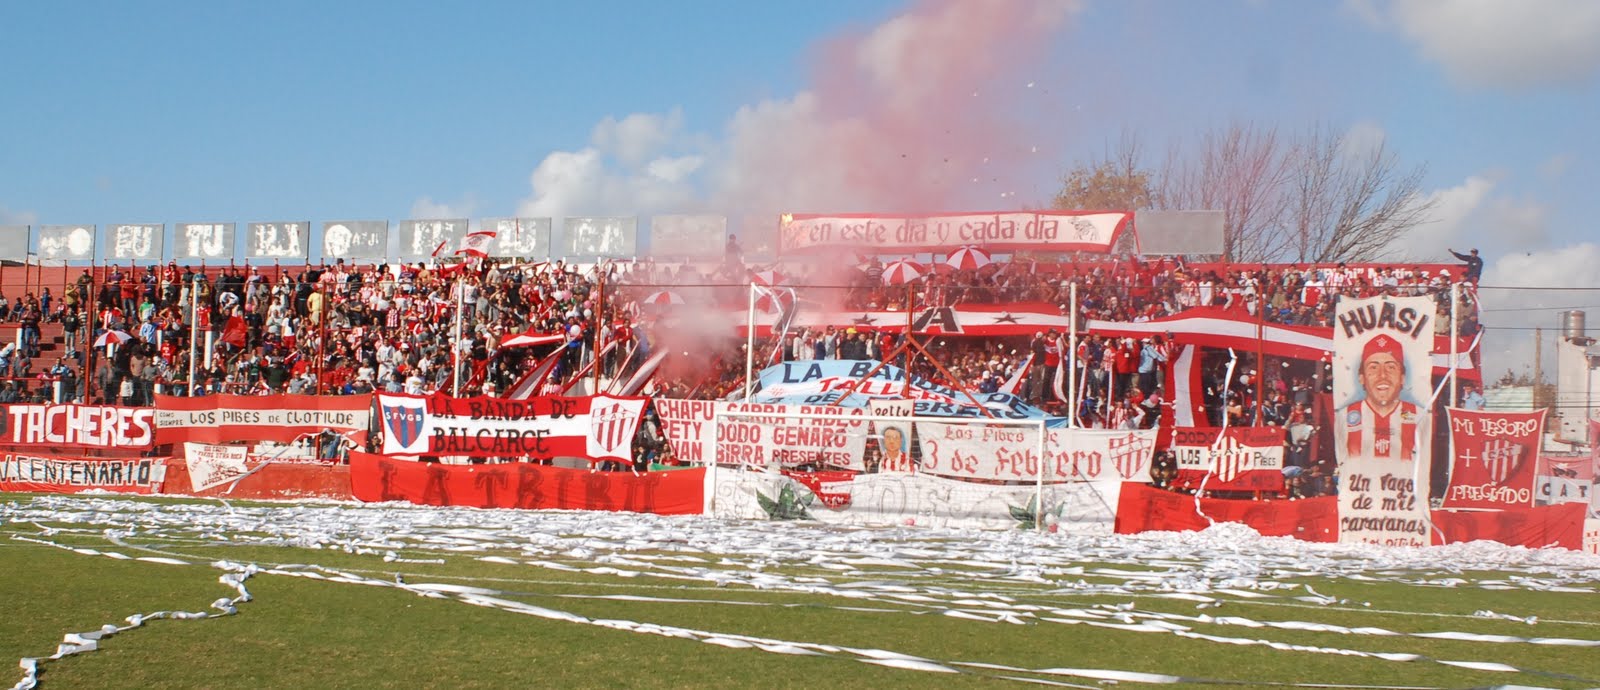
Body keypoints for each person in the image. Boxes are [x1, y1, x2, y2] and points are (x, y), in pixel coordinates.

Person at [1341, 334, 1420, 460]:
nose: (1382, 375)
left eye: (1391, 367)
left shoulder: (1419, 415)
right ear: (1362, 378)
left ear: (1402, 378)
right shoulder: (1344, 415)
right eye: (1373, 367)